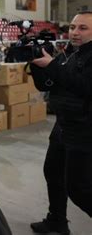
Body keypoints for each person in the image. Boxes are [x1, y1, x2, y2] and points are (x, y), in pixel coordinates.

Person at [30, 11, 92, 227]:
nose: (75, 32)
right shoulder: (70, 53)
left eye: (83, 28)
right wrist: (37, 63)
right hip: (63, 125)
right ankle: (57, 220)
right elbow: (49, 84)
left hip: (84, 130)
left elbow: (84, 86)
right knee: (53, 172)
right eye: (73, 27)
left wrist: (52, 66)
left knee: (79, 188)